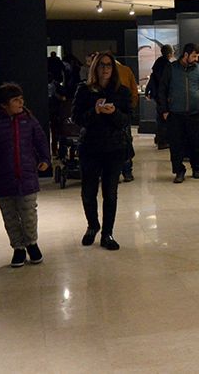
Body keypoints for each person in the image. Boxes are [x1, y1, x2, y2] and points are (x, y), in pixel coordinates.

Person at [0, 83, 50, 268]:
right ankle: (18, 248)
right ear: (3, 104)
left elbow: (40, 140)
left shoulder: (29, 120)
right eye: (16, 100)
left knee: (29, 213)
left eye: (21, 99)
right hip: (2, 178)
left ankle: (32, 244)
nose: (21, 102)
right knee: (10, 216)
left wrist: (45, 158)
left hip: (27, 176)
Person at [72, 51, 131, 251]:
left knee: (110, 193)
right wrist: (95, 111)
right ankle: (93, 225)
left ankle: (107, 233)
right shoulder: (84, 90)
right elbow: (76, 118)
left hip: (115, 148)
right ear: (95, 67)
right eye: (102, 65)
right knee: (88, 192)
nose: (105, 69)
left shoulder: (122, 91)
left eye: (109, 65)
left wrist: (114, 113)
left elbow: (125, 121)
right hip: (90, 147)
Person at [158, 43, 199, 183]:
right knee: (176, 145)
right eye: (194, 56)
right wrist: (164, 110)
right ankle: (179, 171)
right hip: (175, 114)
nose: (196, 59)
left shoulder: (198, 70)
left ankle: (197, 169)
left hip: (195, 114)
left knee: (196, 144)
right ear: (186, 55)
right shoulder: (171, 68)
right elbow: (162, 89)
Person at [115, 59, 139, 182]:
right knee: (125, 141)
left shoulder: (99, 72)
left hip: (112, 113)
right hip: (123, 113)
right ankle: (127, 171)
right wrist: (131, 107)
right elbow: (134, 91)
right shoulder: (126, 70)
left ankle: (115, 172)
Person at [146, 44, 174, 149]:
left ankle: (159, 138)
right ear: (170, 53)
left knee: (160, 117)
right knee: (164, 118)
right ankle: (163, 141)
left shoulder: (158, 63)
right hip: (163, 95)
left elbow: (153, 78)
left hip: (157, 94)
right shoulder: (167, 65)